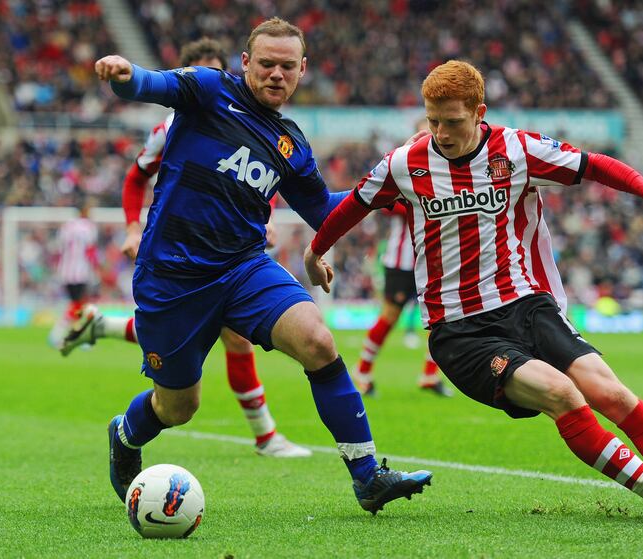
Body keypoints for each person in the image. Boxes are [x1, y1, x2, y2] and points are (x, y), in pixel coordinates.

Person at [304, 60, 643, 523]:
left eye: (453, 121)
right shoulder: (406, 163)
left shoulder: (518, 149)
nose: (441, 133)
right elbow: (351, 207)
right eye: (432, 121)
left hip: (528, 306)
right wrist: (314, 251)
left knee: (611, 392)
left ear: (479, 111)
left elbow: (594, 165)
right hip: (462, 332)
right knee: (562, 393)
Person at [93, 17, 432, 514]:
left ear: (302, 72)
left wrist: (383, 188)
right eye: (267, 63)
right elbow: (153, 83)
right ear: (246, 63)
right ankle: (125, 434)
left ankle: (367, 477)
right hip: (172, 278)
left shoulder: (290, 144)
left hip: (244, 269)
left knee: (317, 341)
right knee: (178, 407)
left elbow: (322, 210)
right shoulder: (208, 90)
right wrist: (126, 74)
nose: (276, 74)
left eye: (287, 66)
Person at [62, 38, 310, 459]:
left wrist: (261, 220)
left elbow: (255, 176)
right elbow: (135, 178)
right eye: (202, 73)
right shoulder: (169, 129)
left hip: (235, 253)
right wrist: (129, 228)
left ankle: (265, 434)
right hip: (179, 255)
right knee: (203, 352)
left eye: (219, 71)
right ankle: (265, 436)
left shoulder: (251, 120)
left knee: (232, 336)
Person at [355, 200, 453, 398]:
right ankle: (362, 370)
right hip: (401, 262)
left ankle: (430, 375)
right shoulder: (404, 173)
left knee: (440, 318)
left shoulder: (440, 176)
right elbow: (385, 203)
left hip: (432, 260)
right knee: (390, 316)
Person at [48, 199, 99, 348]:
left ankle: (77, 337)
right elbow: (90, 251)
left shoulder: (67, 226)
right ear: (85, 211)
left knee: (78, 305)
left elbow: (59, 248)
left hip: (65, 271)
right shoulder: (88, 227)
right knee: (78, 305)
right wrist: (96, 269)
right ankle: (58, 334)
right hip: (80, 272)